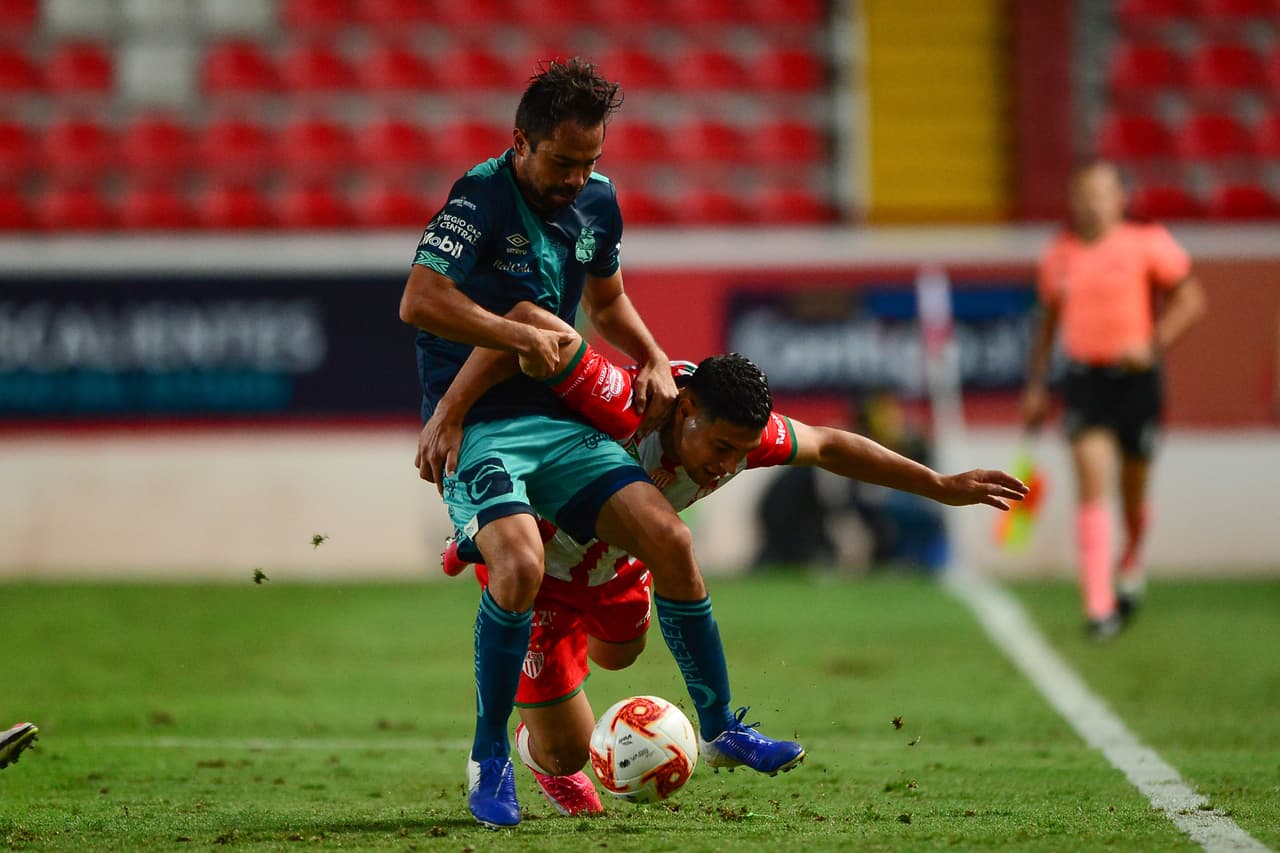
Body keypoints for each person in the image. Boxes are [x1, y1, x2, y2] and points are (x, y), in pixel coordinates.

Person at [398, 57, 800, 829]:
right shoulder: (478, 197)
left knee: (667, 536)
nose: (577, 178)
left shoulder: (598, 203)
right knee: (518, 562)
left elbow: (606, 299)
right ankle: (488, 758)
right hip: (483, 421)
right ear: (521, 142)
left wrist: (649, 354)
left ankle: (720, 728)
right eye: (562, 161)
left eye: (590, 161)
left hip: (562, 420)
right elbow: (421, 298)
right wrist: (480, 370)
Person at [427, 304, 1028, 816]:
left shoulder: (739, 438)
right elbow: (530, 323)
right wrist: (451, 415)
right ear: (684, 408)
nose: (725, 466)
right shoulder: (628, 400)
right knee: (570, 750)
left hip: (620, 564)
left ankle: (633, 711)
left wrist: (940, 485)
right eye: (719, 448)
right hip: (544, 574)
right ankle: (546, 749)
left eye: (740, 454)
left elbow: (827, 443)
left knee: (620, 653)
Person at [1021, 160, 1206, 640]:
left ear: (1121, 198)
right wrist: (1038, 384)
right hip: (1085, 380)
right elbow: (1047, 324)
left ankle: (1131, 558)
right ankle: (1099, 606)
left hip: (1136, 382)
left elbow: (1191, 300)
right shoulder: (1058, 254)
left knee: (1133, 490)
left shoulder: (1148, 243)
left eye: (1101, 192)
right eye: (1082, 192)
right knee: (1091, 479)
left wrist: (1153, 342)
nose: (1090, 202)